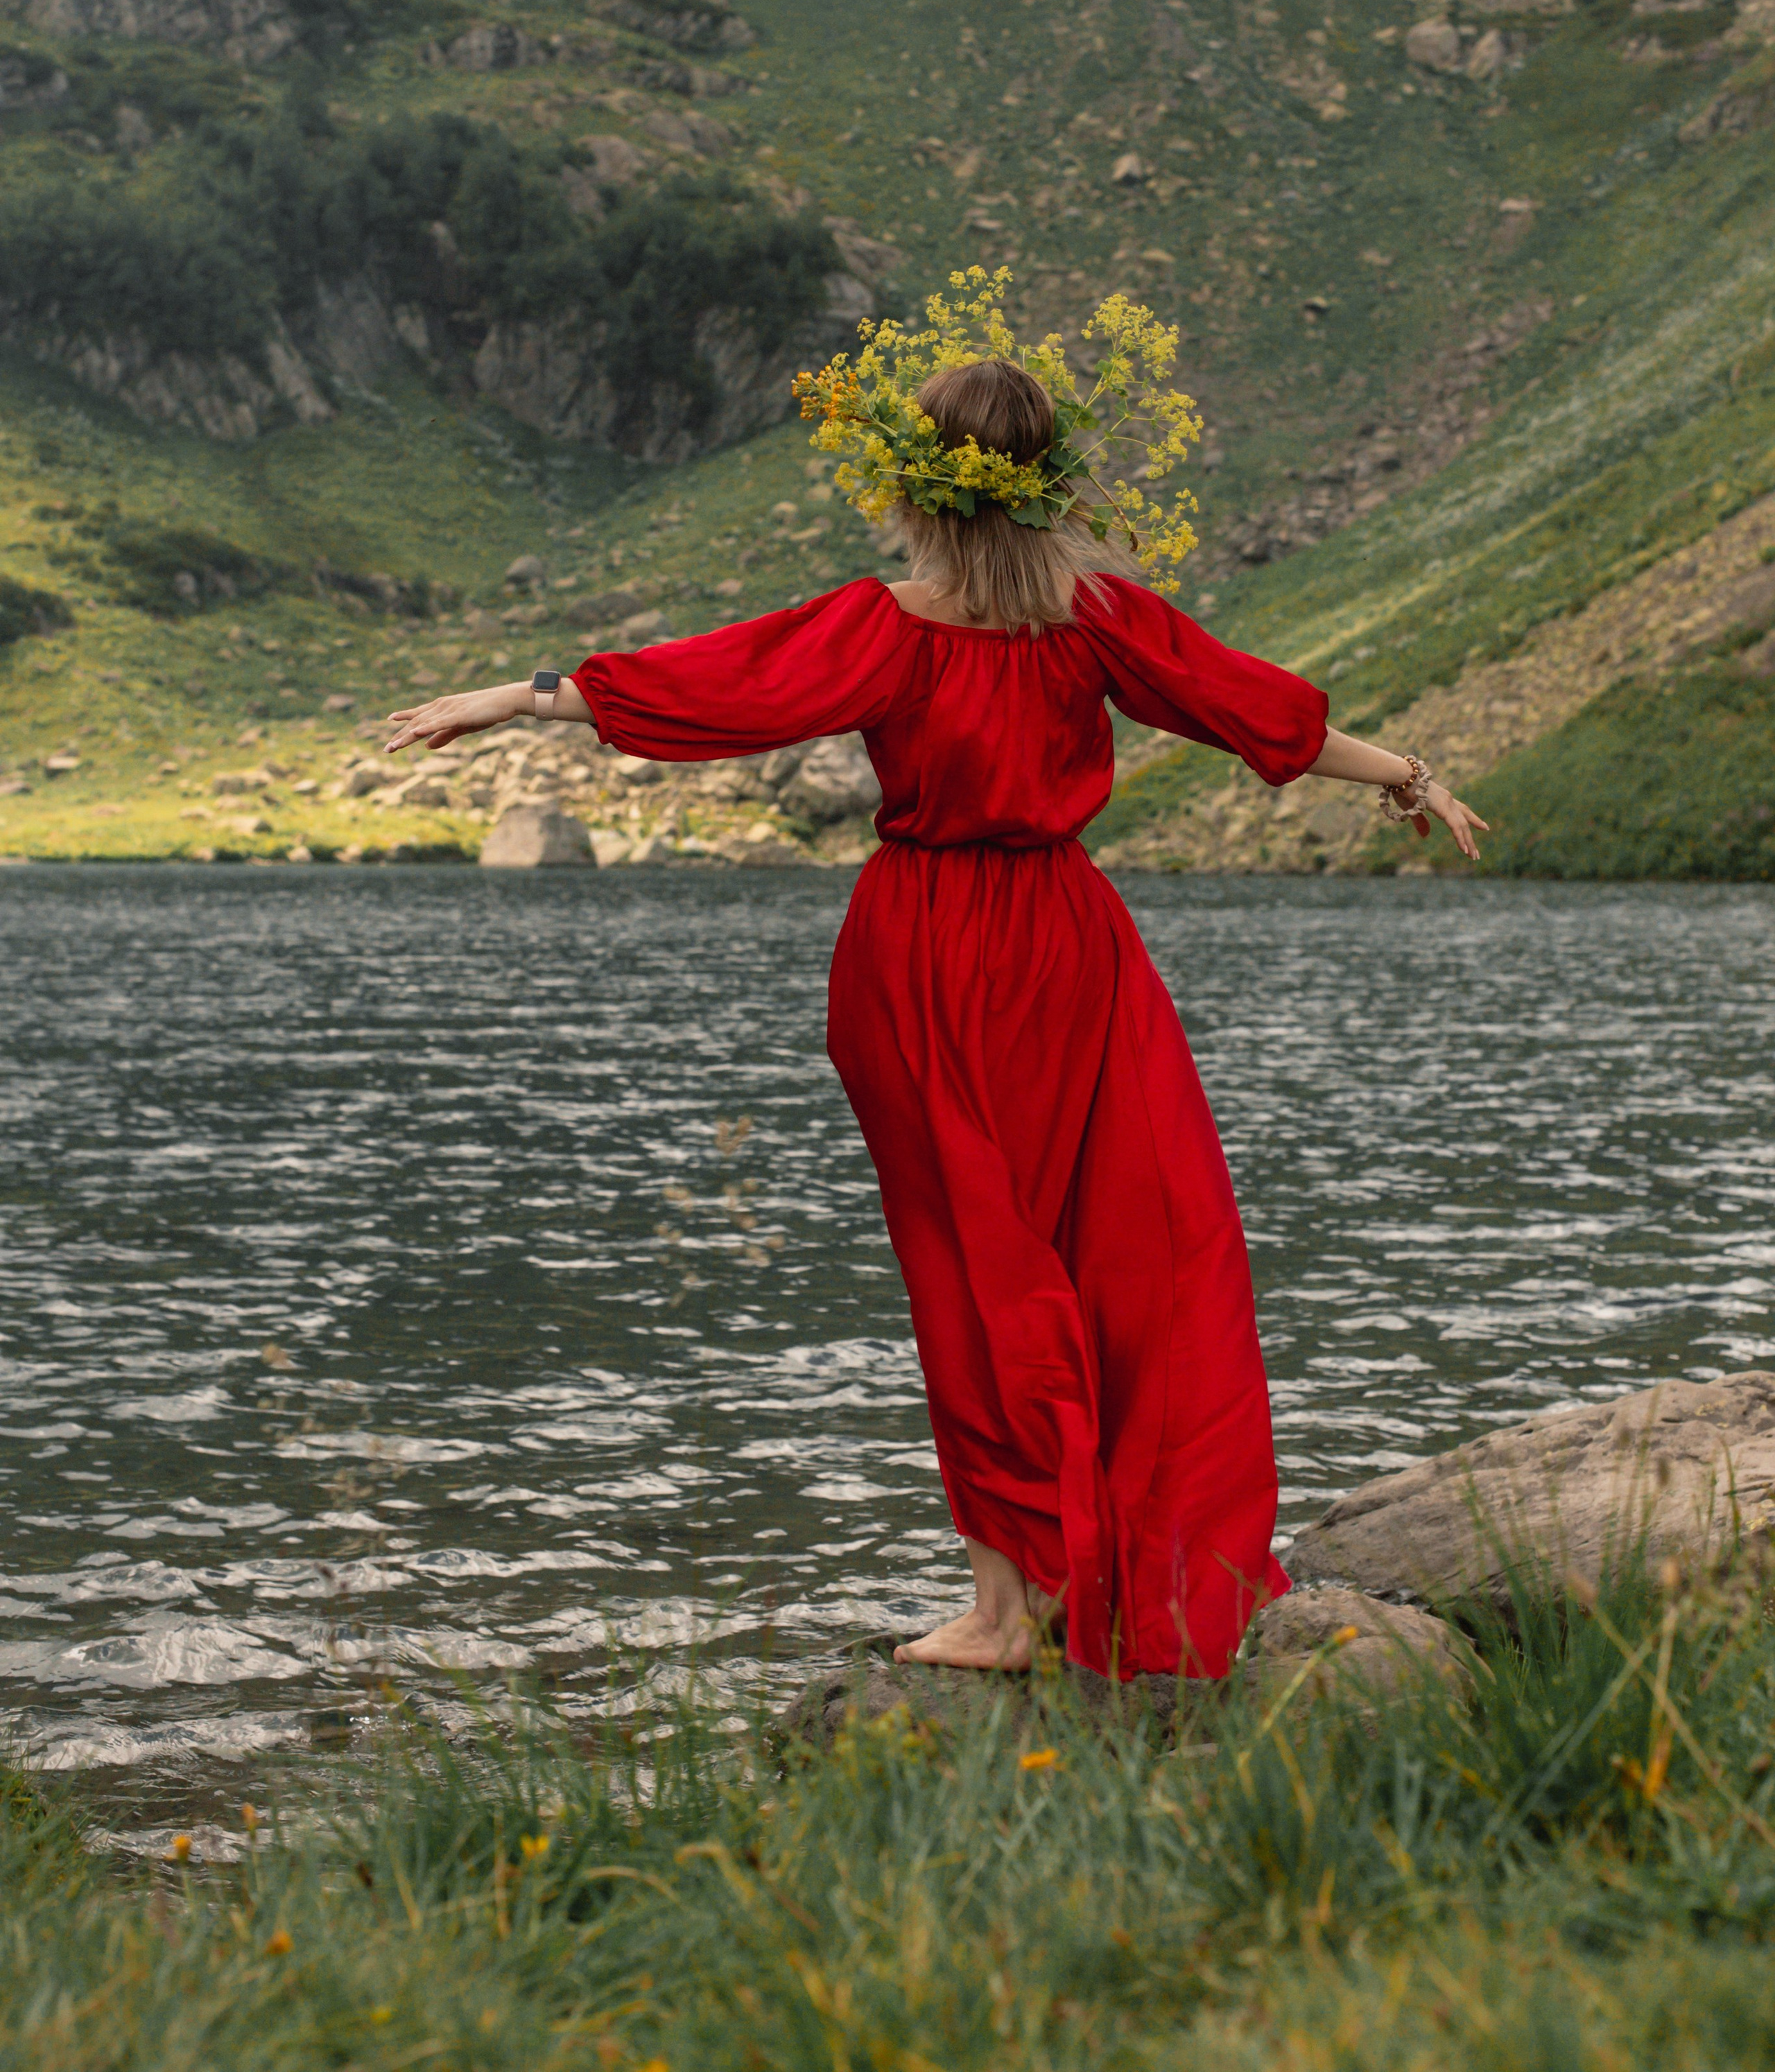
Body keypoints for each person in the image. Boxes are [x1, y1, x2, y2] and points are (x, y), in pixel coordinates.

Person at [386, 330, 1485, 1682]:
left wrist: (514, 700)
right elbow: (1253, 709)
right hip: (1070, 951)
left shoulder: (886, 627)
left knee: (971, 1276)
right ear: (1045, 487)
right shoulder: (1097, 622)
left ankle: (1004, 1607)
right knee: (1114, 1247)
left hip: (923, 955)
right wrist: (1406, 773)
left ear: (922, 484)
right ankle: (1095, 1575)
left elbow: (716, 685)